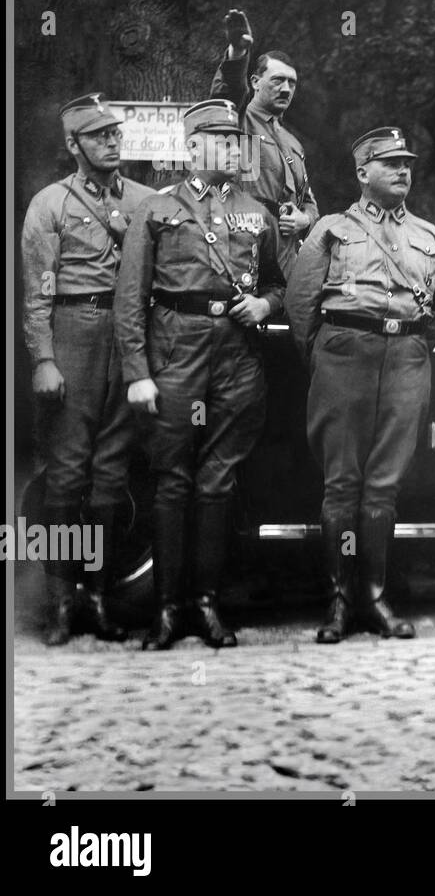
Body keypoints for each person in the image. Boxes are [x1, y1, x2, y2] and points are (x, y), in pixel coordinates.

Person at [114, 98, 286, 650]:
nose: (233, 148)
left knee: (218, 481)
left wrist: (264, 306)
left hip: (236, 358)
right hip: (175, 351)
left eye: (237, 140)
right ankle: (166, 611)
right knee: (172, 480)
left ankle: (208, 606)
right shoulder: (158, 209)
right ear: (191, 148)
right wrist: (138, 371)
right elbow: (130, 297)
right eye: (220, 140)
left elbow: (279, 284)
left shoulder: (257, 213)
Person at [286, 127, 435, 642]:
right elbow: (300, 305)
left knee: (383, 485)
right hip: (343, 354)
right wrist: (325, 356)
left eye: (407, 163)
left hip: (406, 358)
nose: (403, 171)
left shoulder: (428, 235)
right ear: (362, 173)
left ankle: (374, 597)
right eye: (390, 163)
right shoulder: (332, 229)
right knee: (341, 484)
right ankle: (337, 601)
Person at [22, 94, 152, 645]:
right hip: (73, 330)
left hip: (127, 338)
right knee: (66, 475)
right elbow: (35, 293)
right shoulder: (49, 204)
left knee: (110, 474)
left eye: (114, 133)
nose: (111, 141)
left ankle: (98, 601)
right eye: (97, 135)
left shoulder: (148, 201)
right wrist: (45, 358)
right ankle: (60, 605)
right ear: (73, 144)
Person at [210, 8, 319, 278]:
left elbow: (309, 201)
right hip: (242, 245)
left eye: (292, 83)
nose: (286, 89)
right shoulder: (238, 120)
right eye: (278, 80)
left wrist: (304, 219)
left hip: (286, 253)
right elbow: (228, 92)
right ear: (256, 82)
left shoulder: (292, 141)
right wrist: (237, 54)